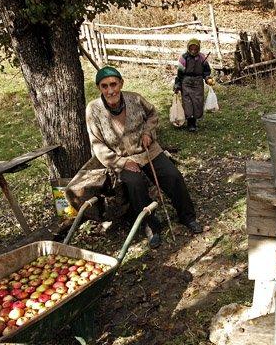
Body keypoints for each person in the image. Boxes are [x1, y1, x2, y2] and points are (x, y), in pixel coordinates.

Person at [86, 66, 204, 249]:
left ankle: (187, 217)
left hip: (147, 150)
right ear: (99, 88)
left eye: (113, 84)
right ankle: (150, 227)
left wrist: (148, 131)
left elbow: (152, 114)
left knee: (173, 175)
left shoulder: (135, 98)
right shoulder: (93, 110)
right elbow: (97, 143)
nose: (110, 90)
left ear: (121, 83)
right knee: (135, 184)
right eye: (104, 86)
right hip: (122, 158)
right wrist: (121, 162)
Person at [173, 38, 214, 132]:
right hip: (186, 82)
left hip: (198, 82)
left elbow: (206, 71)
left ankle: (194, 122)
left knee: (197, 102)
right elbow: (179, 73)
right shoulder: (184, 58)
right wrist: (177, 85)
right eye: (191, 49)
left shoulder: (202, 57)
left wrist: (207, 78)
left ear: (198, 49)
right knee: (187, 103)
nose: (193, 51)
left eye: (196, 49)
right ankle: (190, 123)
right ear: (188, 48)